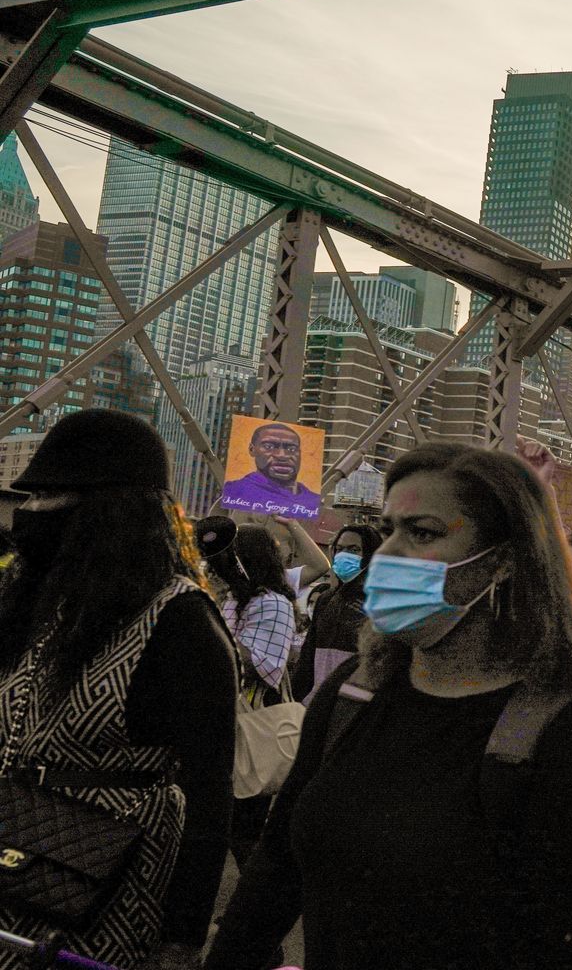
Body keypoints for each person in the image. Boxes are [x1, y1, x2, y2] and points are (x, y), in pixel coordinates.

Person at [206, 443, 572, 970]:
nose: (386, 553)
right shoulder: (352, 694)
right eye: (389, 528)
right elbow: (277, 868)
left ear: (502, 561)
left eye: (423, 533)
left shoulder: (557, 732)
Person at [0, 409, 236, 970]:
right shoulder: (31, 604)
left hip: (108, 884)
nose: (28, 513)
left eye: (47, 497)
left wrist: (183, 936)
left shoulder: (178, 619)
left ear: (109, 510)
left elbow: (209, 791)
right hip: (10, 857)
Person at [196, 519, 300, 867]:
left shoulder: (273, 603)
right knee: (213, 828)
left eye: (227, 556)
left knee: (243, 833)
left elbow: (262, 666)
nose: (217, 564)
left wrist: (206, 622)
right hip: (223, 725)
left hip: (253, 727)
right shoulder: (232, 600)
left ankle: (252, 905)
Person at [288, 521, 382, 703]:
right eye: (339, 549)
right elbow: (308, 656)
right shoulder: (327, 599)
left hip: (355, 703)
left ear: (370, 555)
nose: (343, 555)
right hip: (317, 701)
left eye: (353, 549)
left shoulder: (379, 602)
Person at [220, 421, 321, 517]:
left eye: (291, 449)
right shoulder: (235, 491)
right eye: (269, 446)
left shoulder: (314, 501)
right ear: (252, 449)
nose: (282, 455)